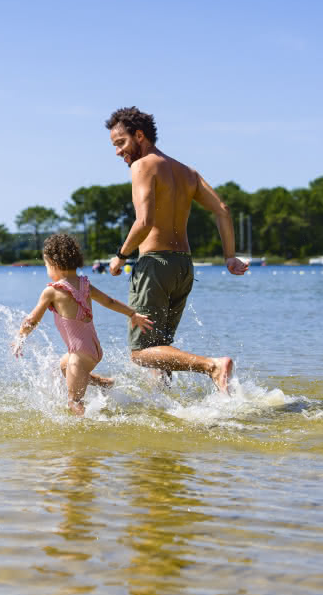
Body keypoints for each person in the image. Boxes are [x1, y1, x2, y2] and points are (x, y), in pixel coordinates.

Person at [105, 106, 248, 393]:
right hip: (183, 267)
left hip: (155, 266)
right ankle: (165, 407)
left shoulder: (142, 166)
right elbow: (222, 210)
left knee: (140, 353)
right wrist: (229, 256)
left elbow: (144, 222)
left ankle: (212, 366)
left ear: (139, 135)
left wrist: (120, 257)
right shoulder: (188, 172)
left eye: (120, 143)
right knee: (159, 348)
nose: (118, 152)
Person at [13, 233, 154, 416]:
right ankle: (103, 383)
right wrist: (132, 314)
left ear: (54, 264)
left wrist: (20, 337)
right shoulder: (85, 284)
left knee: (74, 402)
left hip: (79, 356)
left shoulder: (52, 291)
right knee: (60, 366)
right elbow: (109, 301)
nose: (47, 269)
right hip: (94, 350)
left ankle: (91, 431)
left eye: (46, 265)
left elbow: (32, 320)